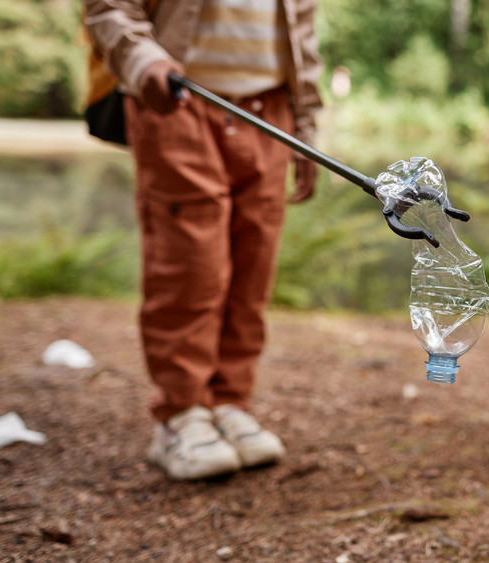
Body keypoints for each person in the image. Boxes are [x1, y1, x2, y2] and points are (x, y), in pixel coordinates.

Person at [83, 0, 323, 480]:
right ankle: (181, 414)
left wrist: (307, 124)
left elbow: (303, 34)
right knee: (191, 264)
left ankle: (229, 402)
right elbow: (109, 9)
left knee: (253, 265)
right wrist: (142, 58)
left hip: (270, 111)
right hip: (177, 100)